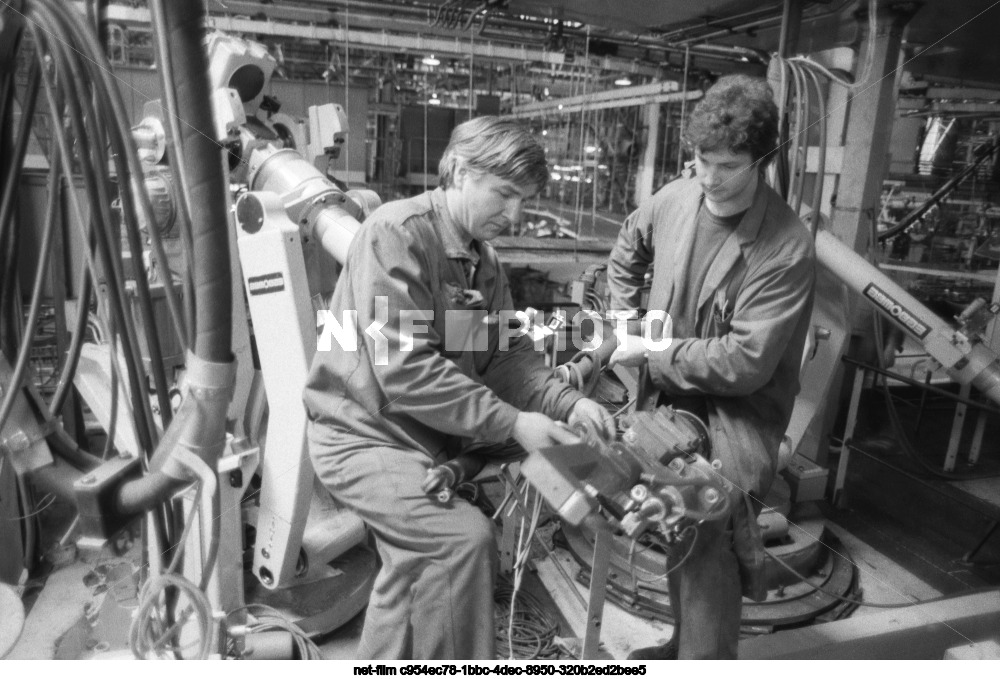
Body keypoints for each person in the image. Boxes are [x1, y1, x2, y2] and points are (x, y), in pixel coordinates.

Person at [304, 116, 614, 660]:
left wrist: (571, 401)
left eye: (527, 200)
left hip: (424, 437)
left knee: (413, 568)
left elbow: (506, 357)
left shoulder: (483, 262)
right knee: (461, 542)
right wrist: (514, 423)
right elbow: (405, 370)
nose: (515, 215)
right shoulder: (395, 233)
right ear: (461, 171)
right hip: (362, 435)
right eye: (505, 194)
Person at [606, 74, 816, 659]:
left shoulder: (785, 246)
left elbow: (746, 362)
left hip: (737, 413)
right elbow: (629, 245)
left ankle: (705, 661)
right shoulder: (677, 197)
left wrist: (653, 351)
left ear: (763, 161)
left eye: (728, 165)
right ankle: (684, 646)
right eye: (702, 160)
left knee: (703, 523)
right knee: (677, 524)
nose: (710, 178)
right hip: (671, 394)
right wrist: (626, 321)